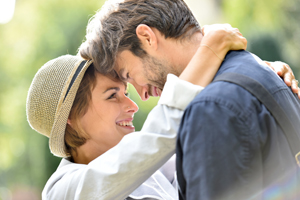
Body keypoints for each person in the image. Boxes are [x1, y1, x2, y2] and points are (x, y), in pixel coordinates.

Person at [78, 0, 300, 199]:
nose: (142, 94)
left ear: (147, 37)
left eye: (128, 75)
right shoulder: (261, 70)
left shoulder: (211, 110)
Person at [26, 26, 249, 200]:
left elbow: (217, 146)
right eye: (112, 95)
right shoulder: (63, 191)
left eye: (126, 92)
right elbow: (157, 139)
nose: (132, 106)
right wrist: (209, 49)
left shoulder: (157, 168)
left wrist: (256, 79)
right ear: (71, 118)